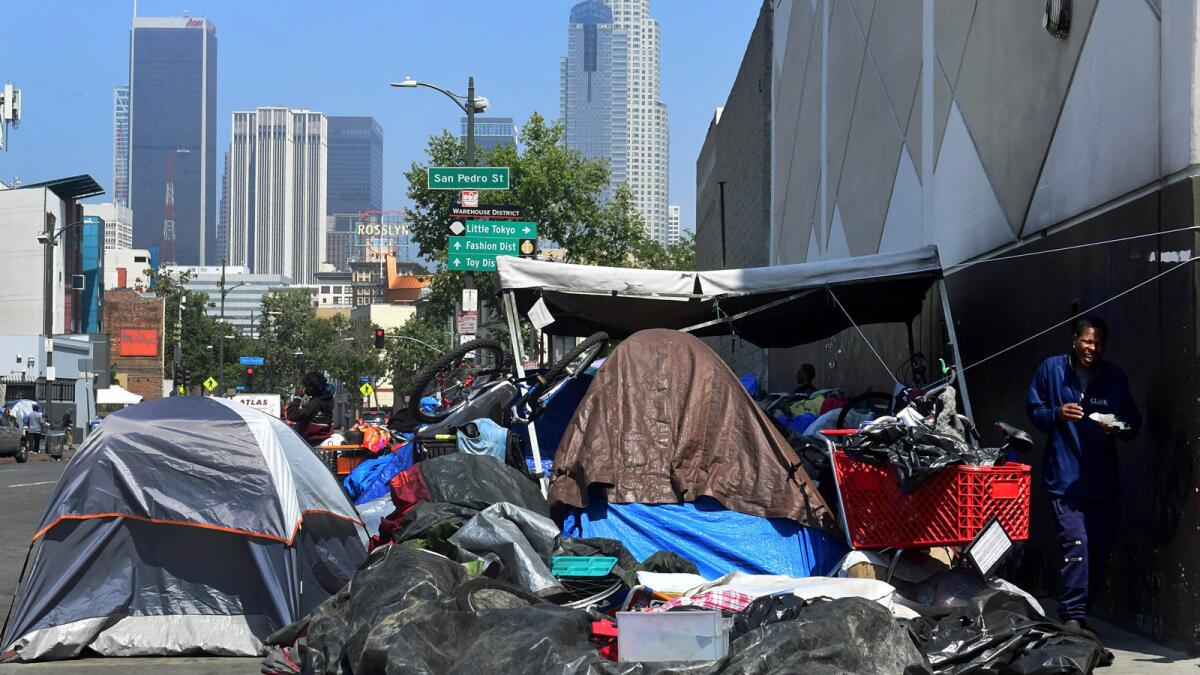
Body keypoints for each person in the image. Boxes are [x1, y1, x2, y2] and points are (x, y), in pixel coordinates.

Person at [1026, 316, 1141, 631]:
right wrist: (1056, 413)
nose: (1093, 348)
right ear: (1075, 339)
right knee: (1076, 545)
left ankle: (1082, 611)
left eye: (1099, 343)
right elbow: (1034, 411)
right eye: (1088, 341)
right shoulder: (1051, 370)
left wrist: (1116, 425)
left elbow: (1133, 424)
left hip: (1102, 481)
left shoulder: (1114, 377)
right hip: (1064, 479)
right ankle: (1073, 615)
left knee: (1099, 550)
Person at [287, 371, 335, 445]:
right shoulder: (327, 399)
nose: (304, 388)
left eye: (306, 386)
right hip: (323, 436)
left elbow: (292, 415)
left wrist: (297, 397)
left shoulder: (316, 403)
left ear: (312, 387)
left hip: (311, 440)